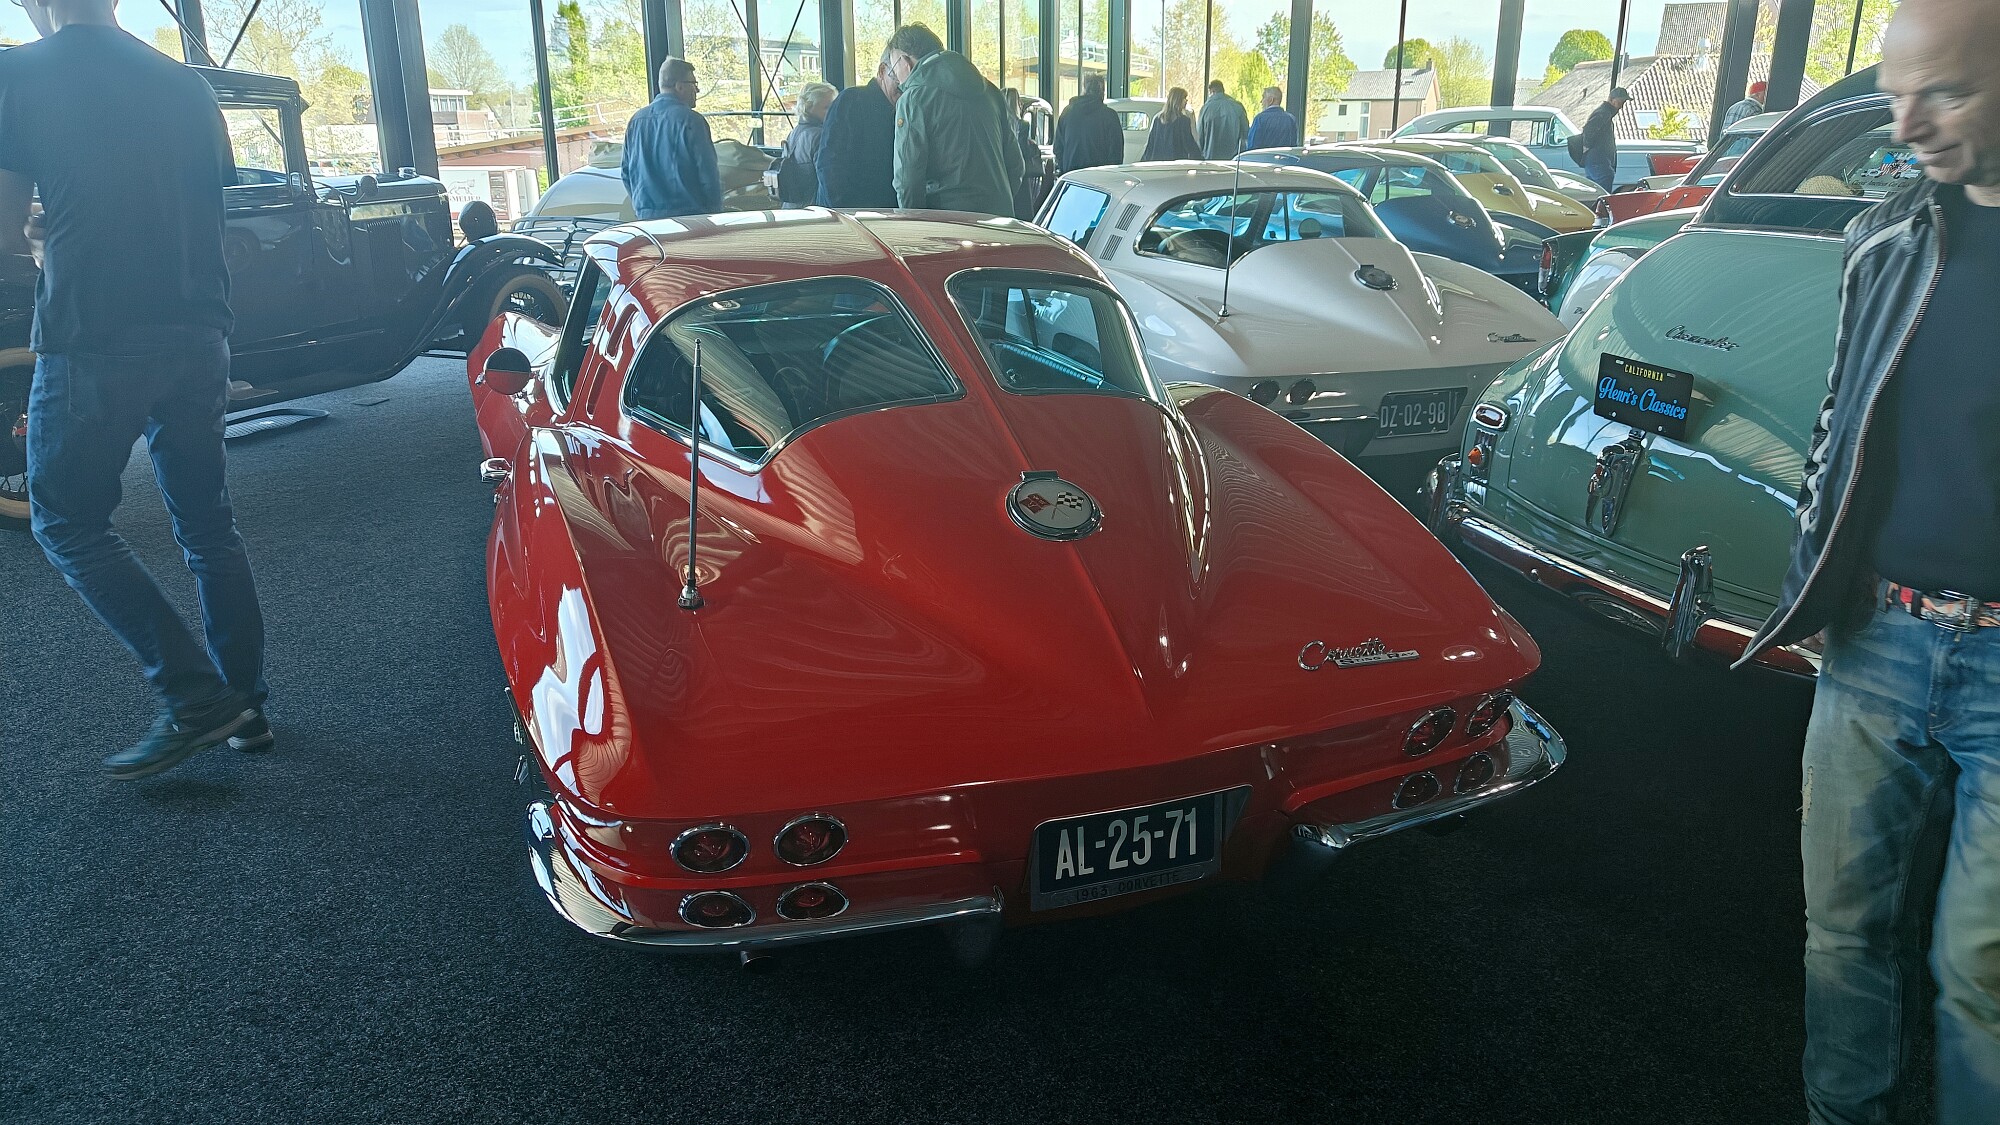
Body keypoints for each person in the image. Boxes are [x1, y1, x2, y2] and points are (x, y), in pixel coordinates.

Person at [1735, 1, 2000, 1121]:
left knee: (1979, 976)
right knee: (1841, 935)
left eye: (1945, 93)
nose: (1905, 125)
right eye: (1896, 95)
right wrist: (1817, 577)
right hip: (1874, 639)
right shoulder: (1887, 239)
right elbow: (1835, 422)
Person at [0, 0, 267, 778]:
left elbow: (3, 230)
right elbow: (199, 209)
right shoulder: (187, 84)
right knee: (208, 526)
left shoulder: (18, 73)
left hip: (95, 333)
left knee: (65, 520)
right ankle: (246, 706)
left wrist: (45, 238)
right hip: (199, 328)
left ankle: (196, 696)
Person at [887, 23, 1024, 215]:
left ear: (905, 61)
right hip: (999, 219)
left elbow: (907, 181)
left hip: (950, 222)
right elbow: (1016, 166)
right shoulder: (991, 92)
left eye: (894, 70)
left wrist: (914, 225)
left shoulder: (914, 99)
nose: (897, 81)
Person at [621, 58, 723, 220]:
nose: (697, 90)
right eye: (694, 84)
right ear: (679, 86)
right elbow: (708, 175)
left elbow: (626, 172)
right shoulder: (692, 121)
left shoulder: (636, 121)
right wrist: (714, 214)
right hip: (688, 219)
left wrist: (642, 207)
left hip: (646, 219)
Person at [817, 51, 901, 208]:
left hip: (884, 215)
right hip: (852, 215)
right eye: (897, 77)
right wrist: (851, 216)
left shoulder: (905, 109)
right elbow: (830, 167)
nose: (903, 85)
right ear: (882, 71)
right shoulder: (851, 101)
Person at [775, 81, 835, 207]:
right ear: (809, 107)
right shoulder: (820, 136)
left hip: (791, 207)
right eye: (826, 107)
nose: (832, 112)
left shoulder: (793, 133)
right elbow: (828, 181)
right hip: (812, 209)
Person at [1054, 74, 1121, 173]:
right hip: (1099, 177)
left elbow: (1058, 148)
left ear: (1084, 89)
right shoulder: (1110, 116)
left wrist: (1065, 168)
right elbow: (1116, 153)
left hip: (1071, 176)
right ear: (1102, 91)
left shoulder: (1067, 112)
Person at [1003, 87, 1044, 218]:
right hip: (1022, 178)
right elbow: (1022, 151)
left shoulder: (999, 125)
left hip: (1004, 176)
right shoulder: (1022, 125)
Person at [1580, 85, 1627, 192]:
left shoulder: (1604, 113)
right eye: (1620, 102)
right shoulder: (1603, 113)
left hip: (1595, 160)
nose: (1621, 107)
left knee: (1595, 192)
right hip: (1598, 160)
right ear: (1611, 100)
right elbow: (1588, 130)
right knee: (1603, 189)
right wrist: (1588, 146)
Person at [1141, 86, 1200, 162]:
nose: (1186, 100)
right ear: (1177, 100)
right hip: (1176, 163)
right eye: (1184, 98)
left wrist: (1143, 161)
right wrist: (1200, 159)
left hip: (1158, 162)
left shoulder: (1158, 119)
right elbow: (1189, 144)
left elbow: (1150, 144)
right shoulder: (1183, 121)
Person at [1197, 79, 1249, 160]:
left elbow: (1200, 135)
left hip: (1210, 157)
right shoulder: (1237, 106)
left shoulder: (1205, 109)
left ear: (1212, 91)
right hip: (1233, 158)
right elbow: (1245, 132)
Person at [1245, 86, 1299, 150]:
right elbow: (1293, 146)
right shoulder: (1291, 119)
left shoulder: (1260, 119)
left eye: (1263, 97)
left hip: (1264, 156)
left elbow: (1252, 146)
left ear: (1271, 100)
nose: (1261, 101)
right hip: (1284, 156)